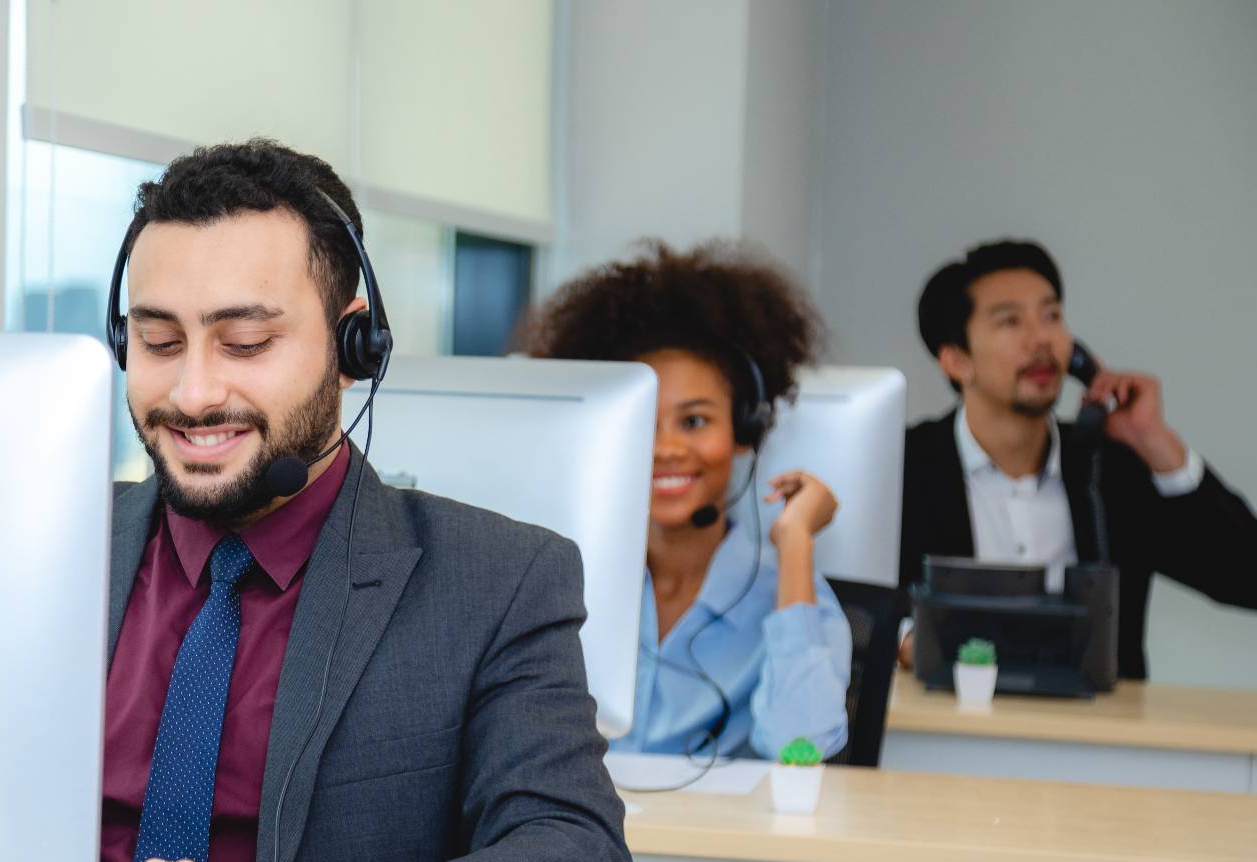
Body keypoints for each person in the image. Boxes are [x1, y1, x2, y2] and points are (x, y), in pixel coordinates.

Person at [0, 140, 632, 862]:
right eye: (160, 341)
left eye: (244, 343)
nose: (195, 393)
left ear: (354, 346)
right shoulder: (26, 554)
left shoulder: (498, 581)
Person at [517, 240, 851, 762]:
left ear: (746, 431)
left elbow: (798, 747)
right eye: (643, 425)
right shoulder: (560, 583)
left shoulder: (791, 596)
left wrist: (796, 543)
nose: (668, 449)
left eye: (694, 421)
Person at [900, 239, 1257, 678]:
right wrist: (905, 641)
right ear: (957, 361)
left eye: (1051, 316)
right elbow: (847, 604)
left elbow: (1246, 578)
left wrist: (1158, 445)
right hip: (945, 735)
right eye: (1010, 321)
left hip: (1099, 739)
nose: (1042, 339)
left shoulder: (1109, 471)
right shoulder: (903, 467)